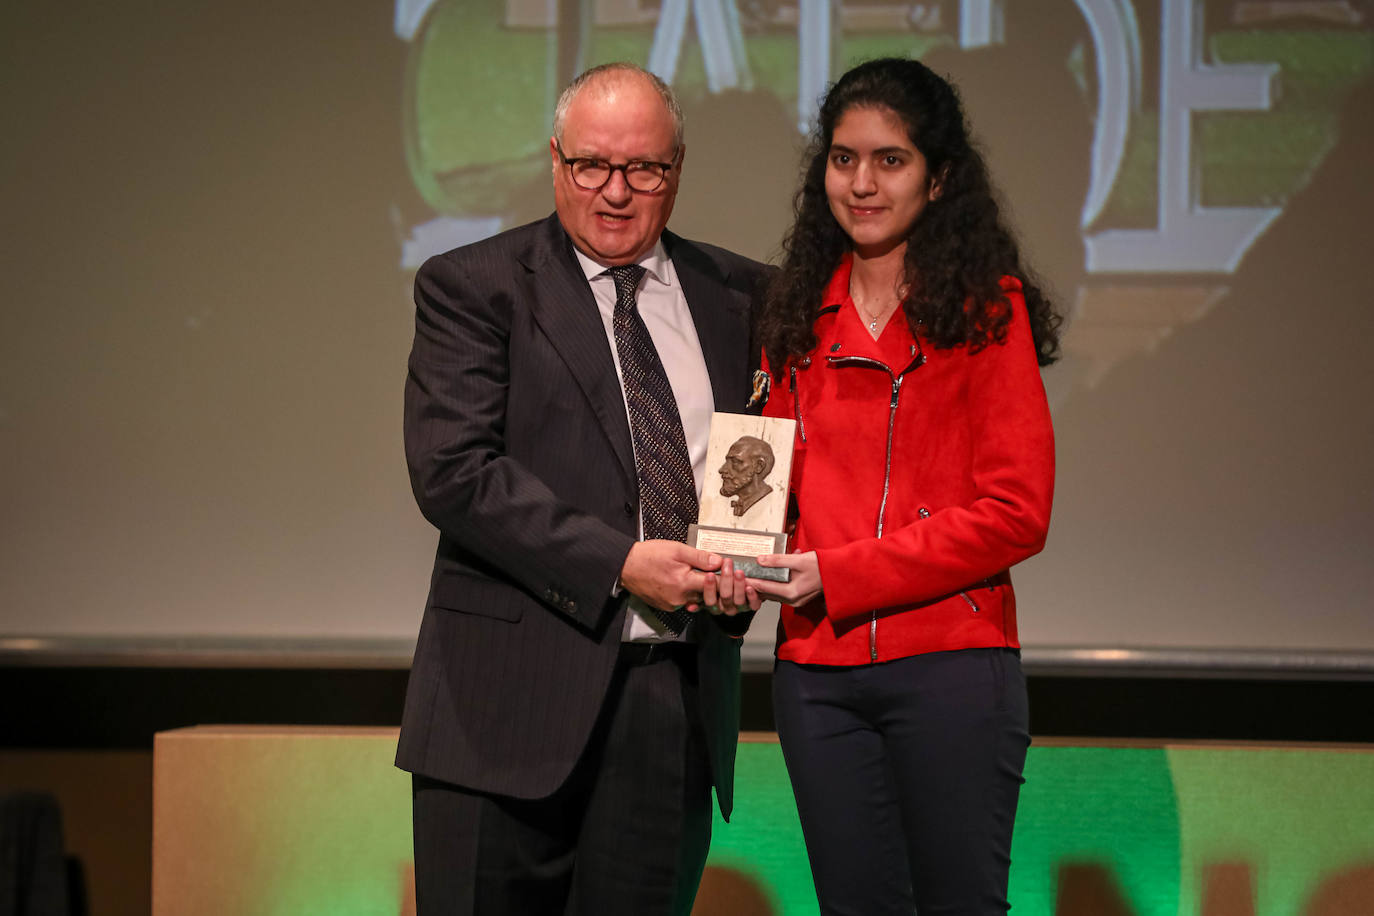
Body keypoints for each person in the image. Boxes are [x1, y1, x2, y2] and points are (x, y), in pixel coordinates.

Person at [396, 63, 769, 916]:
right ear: (555, 160)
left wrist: (744, 570)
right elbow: (453, 470)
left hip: (672, 701)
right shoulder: (474, 284)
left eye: (644, 169)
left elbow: (763, 465)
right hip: (502, 705)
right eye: (591, 165)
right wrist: (621, 563)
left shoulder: (745, 296)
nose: (615, 192)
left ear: (677, 168)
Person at [749, 57, 1061, 915]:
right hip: (816, 672)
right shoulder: (795, 315)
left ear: (939, 177)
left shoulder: (987, 312)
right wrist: (736, 561)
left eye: (891, 160)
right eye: (843, 159)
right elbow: (760, 494)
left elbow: (1017, 513)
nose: (862, 183)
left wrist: (840, 573)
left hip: (952, 666)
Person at [718, 435, 775, 517]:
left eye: (735, 462)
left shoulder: (768, 505)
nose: (722, 469)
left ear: (758, 466)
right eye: (727, 462)